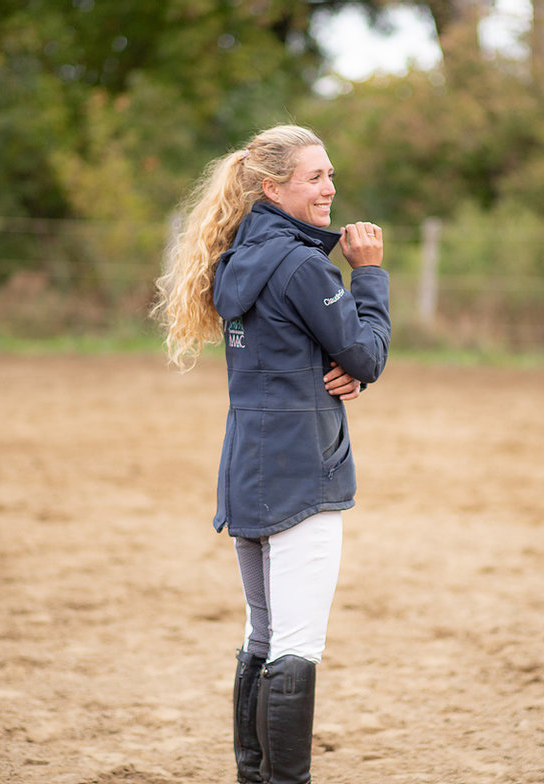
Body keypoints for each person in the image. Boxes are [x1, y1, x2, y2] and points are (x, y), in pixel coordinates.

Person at [153, 124, 391, 784]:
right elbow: (365, 351)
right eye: (314, 177)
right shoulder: (302, 265)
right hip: (301, 474)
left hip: (247, 470)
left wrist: (340, 364)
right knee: (295, 646)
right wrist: (369, 274)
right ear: (271, 187)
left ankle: (253, 778)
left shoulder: (235, 263)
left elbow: (308, 352)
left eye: (331, 174)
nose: (330, 188)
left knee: (262, 637)